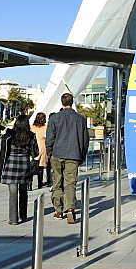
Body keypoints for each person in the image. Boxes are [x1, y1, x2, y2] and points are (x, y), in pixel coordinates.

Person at [45, 93, 89, 224]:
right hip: (73, 154)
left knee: (57, 182)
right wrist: (82, 154)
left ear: (62, 102)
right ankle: (70, 208)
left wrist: (49, 153)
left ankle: (58, 210)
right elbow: (85, 139)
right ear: (72, 102)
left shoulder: (55, 118)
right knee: (70, 183)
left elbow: (49, 138)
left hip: (57, 153)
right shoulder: (80, 119)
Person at [0, 116, 39, 225]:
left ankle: (13, 219)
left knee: (13, 193)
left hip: (10, 164)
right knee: (23, 191)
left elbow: (2, 151)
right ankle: (23, 215)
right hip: (24, 164)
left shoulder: (9, 136)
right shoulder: (30, 136)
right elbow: (36, 152)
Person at [30, 112, 49, 188]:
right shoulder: (46, 127)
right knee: (41, 166)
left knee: (31, 166)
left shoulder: (31, 127)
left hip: (33, 148)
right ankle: (40, 183)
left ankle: (30, 184)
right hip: (42, 147)